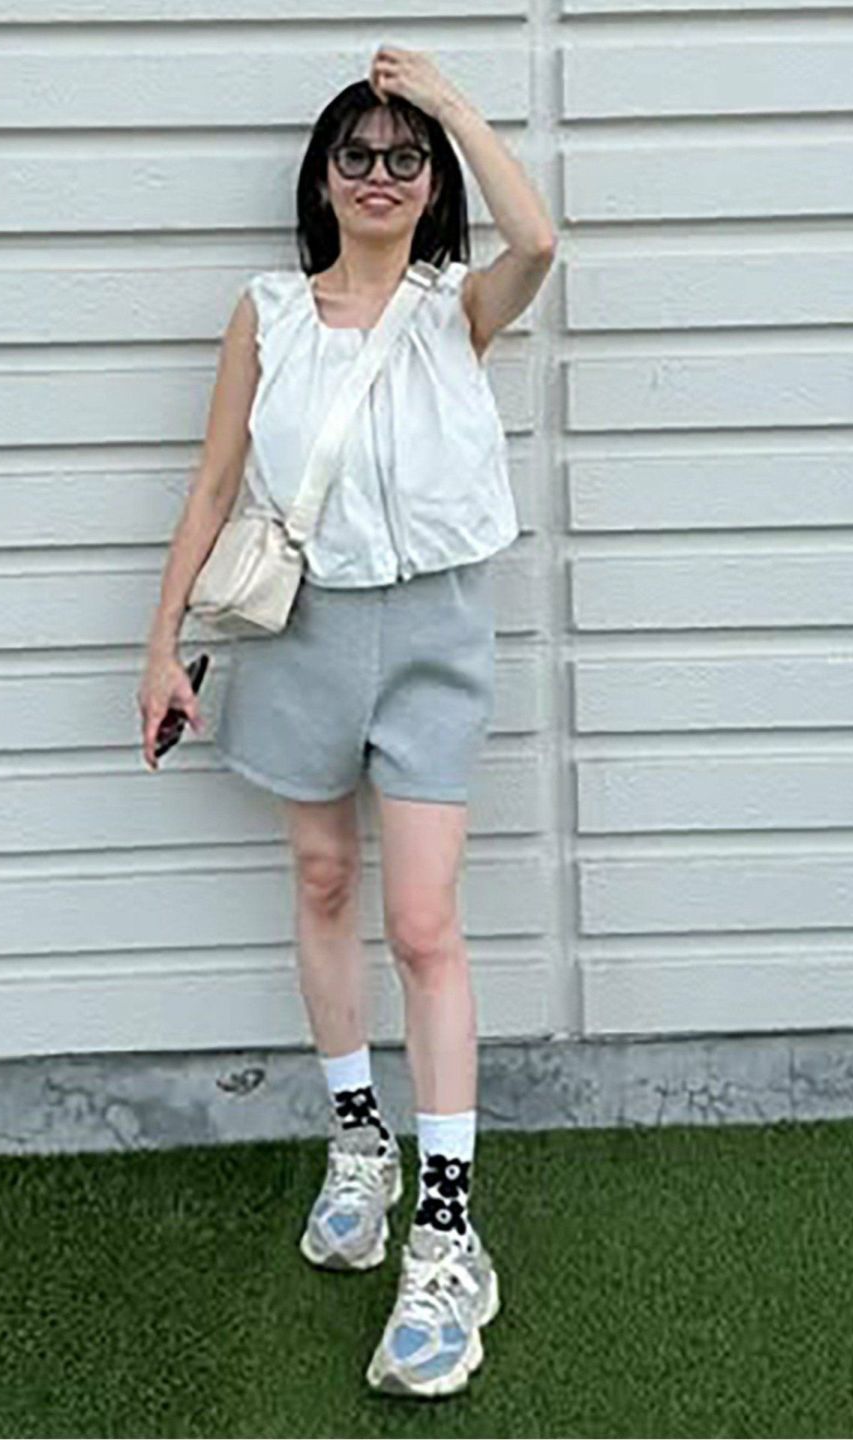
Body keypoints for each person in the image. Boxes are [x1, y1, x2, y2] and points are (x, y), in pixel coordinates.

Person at [138, 45, 555, 1399]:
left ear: (433, 182)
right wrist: (162, 648)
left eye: (405, 157)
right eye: (357, 154)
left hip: (434, 635)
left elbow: (541, 241)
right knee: (323, 878)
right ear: (321, 179)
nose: (380, 174)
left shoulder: (455, 308)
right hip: (299, 629)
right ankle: (358, 1137)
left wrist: (451, 104)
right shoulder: (267, 313)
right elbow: (213, 487)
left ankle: (448, 1229)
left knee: (425, 924)